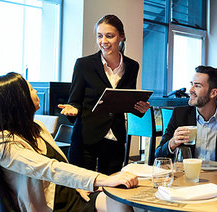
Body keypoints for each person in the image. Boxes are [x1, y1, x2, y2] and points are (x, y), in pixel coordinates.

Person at [0, 73, 138, 212]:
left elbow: (62, 164)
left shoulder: (37, 128)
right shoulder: (2, 143)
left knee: (120, 203)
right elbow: (49, 168)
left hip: (71, 194)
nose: (36, 91)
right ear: (18, 100)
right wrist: (105, 179)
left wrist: (77, 186)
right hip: (52, 205)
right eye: (31, 89)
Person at [58, 15, 149, 175]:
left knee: (111, 189)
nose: (103, 41)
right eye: (100, 36)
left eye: (109, 36)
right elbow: (75, 102)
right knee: (82, 189)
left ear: (121, 36)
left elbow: (125, 101)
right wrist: (73, 109)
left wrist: (139, 108)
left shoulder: (132, 66)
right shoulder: (84, 65)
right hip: (86, 137)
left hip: (115, 138)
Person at [154, 66, 217, 164]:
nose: (191, 90)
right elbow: (158, 155)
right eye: (192, 84)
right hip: (188, 177)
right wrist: (172, 143)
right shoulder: (179, 115)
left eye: (197, 86)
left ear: (213, 93)